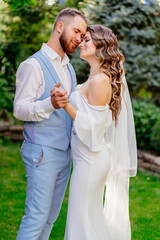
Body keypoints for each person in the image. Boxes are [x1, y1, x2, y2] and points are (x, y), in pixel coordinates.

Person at [51, 25, 137, 240]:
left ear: (101, 46)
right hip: (87, 158)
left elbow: (95, 128)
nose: (81, 43)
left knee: (81, 221)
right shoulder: (96, 76)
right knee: (87, 218)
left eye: (87, 39)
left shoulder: (100, 81)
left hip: (91, 159)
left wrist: (65, 104)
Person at [13, 7, 87, 240]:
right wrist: (49, 104)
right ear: (59, 27)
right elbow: (19, 109)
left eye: (83, 35)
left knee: (50, 220)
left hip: (64, 154)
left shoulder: (69, 67)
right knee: (36, 218)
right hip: (42, 153)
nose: (80, 38)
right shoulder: (33, 65)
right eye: (77, 31)